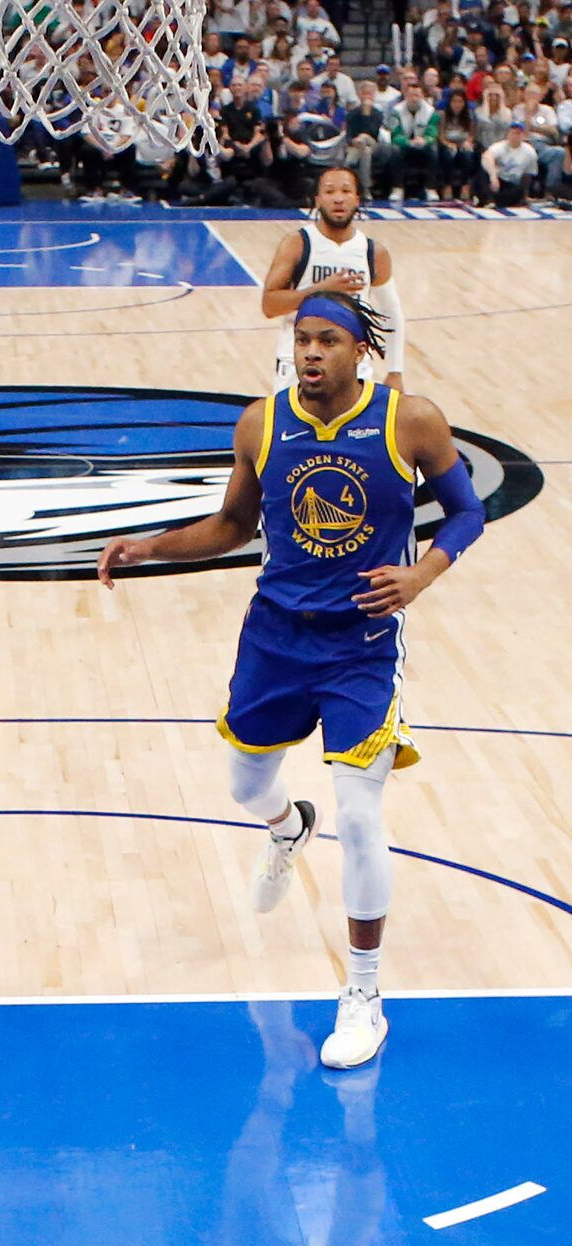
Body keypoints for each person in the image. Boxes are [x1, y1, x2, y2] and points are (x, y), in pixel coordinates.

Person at [98, 295, 486, 1070]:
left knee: (361, 810)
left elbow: (466, 512)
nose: (310, 353)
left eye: (326, 340)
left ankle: (364, 994)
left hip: (360, 646)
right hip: (274, 637)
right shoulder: (259, 424)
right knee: (244, 785)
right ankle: (284, 826)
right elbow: (231, 527)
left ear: (358, 352)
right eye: (301, 339)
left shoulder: (411, 421)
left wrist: (420, 576)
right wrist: (148, 547)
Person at [260, 166, 405, 389]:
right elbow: (269, 305)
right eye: (329, 192)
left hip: (355, 366)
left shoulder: (373, 252)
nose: (338, 199)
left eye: (346, 191)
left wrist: (395, 371)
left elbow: (391, 313)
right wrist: (321, 291)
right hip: (298, 363)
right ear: (317, 200)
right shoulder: (297, 244)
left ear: (357, 199)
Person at [481, 119, 541, 202]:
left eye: (518, 133)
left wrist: (525, 195)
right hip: (497, 178)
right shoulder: (499, 146)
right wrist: (493, 177)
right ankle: (488, 199)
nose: (515, 136)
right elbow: (487, 156)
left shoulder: (530, 152)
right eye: (513, 133)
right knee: (482, 174)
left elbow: (528, 174)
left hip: (512, 183)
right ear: (508, 134)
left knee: (517, 192)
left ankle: (499, 200)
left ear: (523, 135)